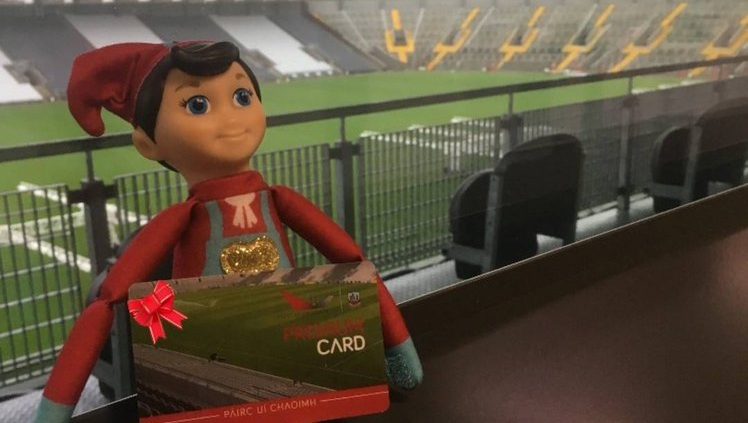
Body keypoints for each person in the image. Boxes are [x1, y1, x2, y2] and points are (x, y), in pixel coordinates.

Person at [36, 40, 422, 422]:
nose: (231, 117)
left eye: (242, 96)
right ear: (147, 143)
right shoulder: (188, 217)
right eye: (197, 104)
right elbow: (108, 300)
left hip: (286, 351)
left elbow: (351, 259)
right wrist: (56, 408)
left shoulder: (278, 199)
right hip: (208, 369)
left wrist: (396, 348)